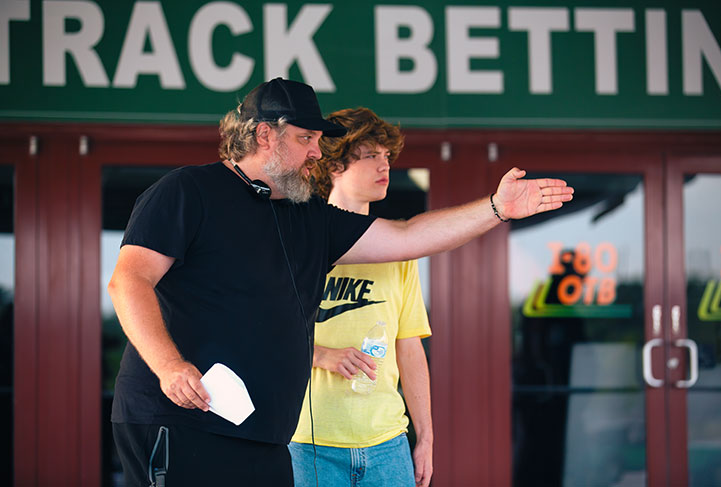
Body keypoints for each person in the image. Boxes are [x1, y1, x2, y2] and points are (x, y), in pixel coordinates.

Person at [107, 77, 573, 486]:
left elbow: (408, 235)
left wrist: (496, 207)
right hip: (180, 419)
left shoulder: (308, 216)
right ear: (264, 135)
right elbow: (128, 282)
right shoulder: (187, 191)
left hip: (265, 436)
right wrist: (169, 366)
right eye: (306, 137)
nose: (316, 150)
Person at [288, 107, 433, 487]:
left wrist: (426, 438)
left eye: (387, 156)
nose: (384, 166)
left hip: (387, 443)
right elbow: (260, 332)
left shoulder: (398, 249)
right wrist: (322, 355)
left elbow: (410, 347)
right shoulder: (298, 241)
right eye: (371, 156)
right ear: (334, 165)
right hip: (307, 442)